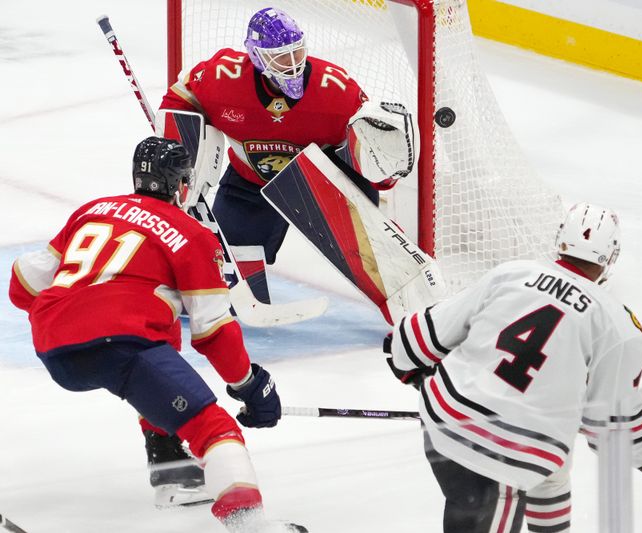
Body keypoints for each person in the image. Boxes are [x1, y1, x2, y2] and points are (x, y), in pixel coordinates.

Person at [8, 137, 304, 533]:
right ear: (182, 185)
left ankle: (171, 466)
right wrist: (249, 386)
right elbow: (214, 330)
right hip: (123, 344)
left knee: (162, 335)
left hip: (54, 343)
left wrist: (78, 315)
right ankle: (251, 525)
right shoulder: (194, 235)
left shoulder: (93, 211)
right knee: (214, 428)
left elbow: (22, 285)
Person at [383, 202, 642, 533]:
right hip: (503, 459)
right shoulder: (619, 327)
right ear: (611, 259)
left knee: (552, 464)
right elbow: (614, 430)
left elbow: (417, 339)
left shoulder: (512, 273)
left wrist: (407, 363)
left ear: (560, 240)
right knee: (535, 457)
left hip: (444, 426)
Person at [158, 6, 414, 304]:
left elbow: (369, 144)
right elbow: (179, 98)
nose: (292, 64)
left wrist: (382, 178)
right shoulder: (222, 77)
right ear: (256, 57)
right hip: (252, 182)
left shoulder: (337, 90)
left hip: (327, 181)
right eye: (281, 57)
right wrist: (178, 149)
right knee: (225, 271)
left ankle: (408, 300)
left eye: (296, 52)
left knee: (372, 249)